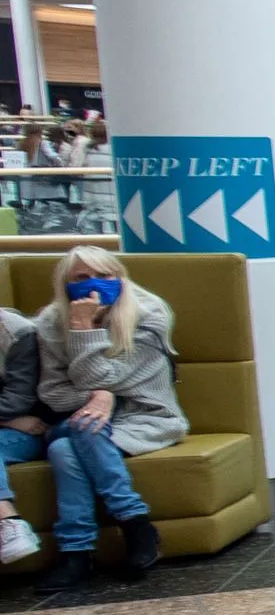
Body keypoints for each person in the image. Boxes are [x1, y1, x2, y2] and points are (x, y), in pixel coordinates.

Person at [32, 245, 181, 592]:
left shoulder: (150, 316)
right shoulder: (51, 323)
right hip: (84, 420)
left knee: (64, 449)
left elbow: (108, 377)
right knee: (84, 428)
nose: (94, 284)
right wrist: (100, 394)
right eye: (81, 278)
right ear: (65, 285)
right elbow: (52, 392)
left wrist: (84, 330)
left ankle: (77, 553)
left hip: (147, 418)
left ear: (120, 277)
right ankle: (135, 523)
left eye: (104, 275)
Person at [0, 304, 50, 564]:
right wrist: (8, 422)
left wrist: (10, 418)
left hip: (37, 430)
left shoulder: (16, 332)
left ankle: (9, 523)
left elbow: (18, 399)